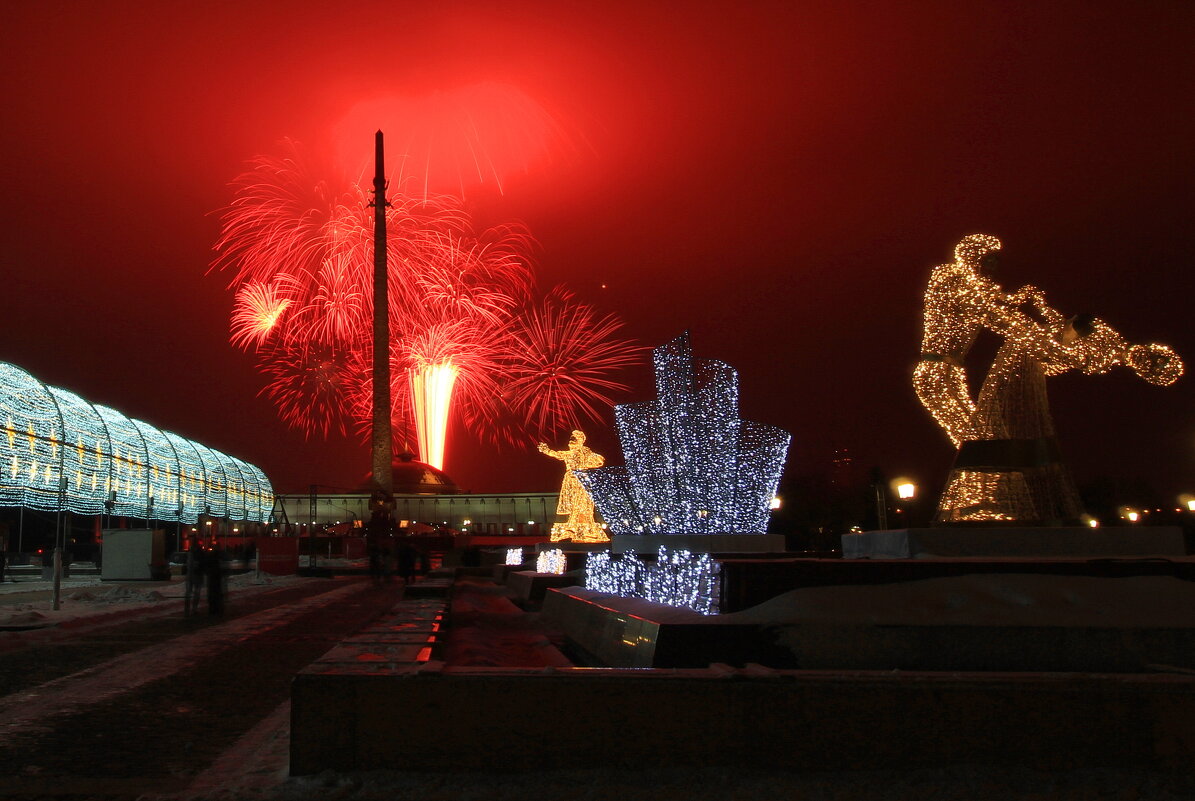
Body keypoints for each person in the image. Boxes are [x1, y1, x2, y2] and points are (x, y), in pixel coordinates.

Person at [537, 429, 607, 543]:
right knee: (574, 504)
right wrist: (547, 450)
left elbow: (600, 461)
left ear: (580, 441)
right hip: (571, 481)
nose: (571, 441)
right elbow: (557, 454)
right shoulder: (569, 454)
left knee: (583, 504)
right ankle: (574, 526)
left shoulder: (586, 452)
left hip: (582, 481)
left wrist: (585, 463)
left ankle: (582, 527)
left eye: (574, 439)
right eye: (571, 439)